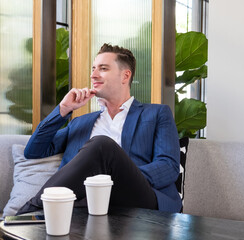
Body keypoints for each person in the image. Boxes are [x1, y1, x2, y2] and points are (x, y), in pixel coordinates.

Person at [16, 43, 181, 214]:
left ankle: (29, 211)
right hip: (84, 202)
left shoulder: (156, 114)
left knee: (102, 145)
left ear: (125, 76)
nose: (93, 75)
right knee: (100, 146)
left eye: (103, 68)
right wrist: (63, 109)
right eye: (93, 69)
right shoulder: (80, 123)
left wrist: (114, 178)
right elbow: (33, 151)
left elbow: (168, 166)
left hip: (136, 198)